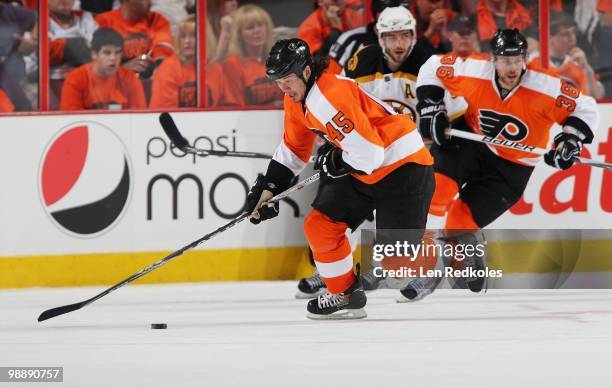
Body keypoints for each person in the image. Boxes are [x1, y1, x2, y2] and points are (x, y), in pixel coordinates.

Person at [246, 38, 434, 319]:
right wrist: (269, 186)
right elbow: (294, 149)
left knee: (396, 265)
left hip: (402, 168)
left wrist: (336, 161)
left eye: (286, 80)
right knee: (320, 227)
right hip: (365, 168)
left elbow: (370, 154)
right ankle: (346, 294)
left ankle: (445, 254)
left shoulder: (328, 97)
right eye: (277, 81)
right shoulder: (296, 98)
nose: (282, 88)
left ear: (306, 72)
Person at [413, 29, 599, 297]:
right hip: (470, 142)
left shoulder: (544, 86)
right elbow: (432, 66)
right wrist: (431, 105)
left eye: (516, 59)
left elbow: (586, 107)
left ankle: (463, 257)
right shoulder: (474, 70)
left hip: (513, 167)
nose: (511, 67)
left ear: (525, 59)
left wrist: (569, 141)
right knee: (435, 192)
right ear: (493, 59)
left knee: (457, 224)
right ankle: (424, 265)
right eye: (504, 59)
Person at [60, 27, 146, 110]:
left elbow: (139, 117)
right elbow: (71, 120)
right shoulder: (75, 79)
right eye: (107, 53)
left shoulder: (130, 79)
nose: (113, 58)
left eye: (117, 53)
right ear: (94, 54)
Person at [221, 4, 283, 107]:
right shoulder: (232, 63)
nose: (257, 31)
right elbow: (234, 105)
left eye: (260, 25)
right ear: (239, 34)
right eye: (250, 28)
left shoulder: (278, 58)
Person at [95, 0, 174, 79]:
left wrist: (158, 66)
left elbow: (163, 49)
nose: (150, 2)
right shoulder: (102, 22)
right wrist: (123, 69)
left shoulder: (156, 20)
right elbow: (94, 68)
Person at [328, 0, 406, 73]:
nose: (388, 17)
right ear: (375, 13)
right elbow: (330, 76)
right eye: (383, 11)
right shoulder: (350, 40)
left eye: (393, 12)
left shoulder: (407, 43)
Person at [48, 0, 98, 109]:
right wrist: (72, 46)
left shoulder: (85, 17)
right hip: (50, 82)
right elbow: (45, 53)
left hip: (85, 81)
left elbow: (95, 51)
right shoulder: (39, 20)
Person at [149, 15, 196, 108]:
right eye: (183, 36)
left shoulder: (213, 66)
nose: (187, 41)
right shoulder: (168, 68)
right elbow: (166, 112)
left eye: (193, 35)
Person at [298, 0, 364, 58]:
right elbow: (316, 59)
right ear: (320, 2)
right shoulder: (309, 27)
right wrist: (336, 29)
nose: (338, 2)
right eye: (334, 0)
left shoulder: (356, 17)